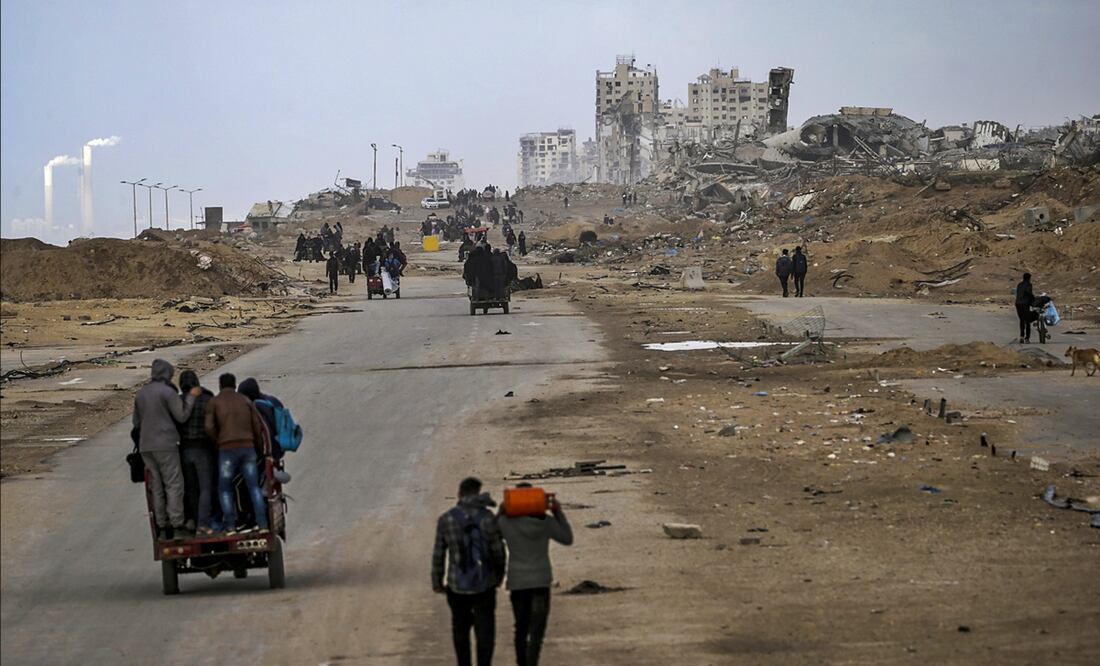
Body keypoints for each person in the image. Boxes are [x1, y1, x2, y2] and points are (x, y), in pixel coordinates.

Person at [432, 477, 506, 666]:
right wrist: (498, 576)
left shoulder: (446, 519)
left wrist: (437, 582)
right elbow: (498, 551)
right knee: (485, 632)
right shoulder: (488, 518)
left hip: (457, 586)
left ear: (459, 494)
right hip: (484, 585)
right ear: (478, 493)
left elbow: (439, 554)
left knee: (460, 630)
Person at [497, 484, 574, 666]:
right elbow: (567, 538)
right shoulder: (545, 523)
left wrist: (501, 511)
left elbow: (488, 532)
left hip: (517, 583)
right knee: (537, 631)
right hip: (540, 582)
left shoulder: (506, 523)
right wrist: (558, 512)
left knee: (521, 629)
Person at [133, 359, 198, 540]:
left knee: (156, 486)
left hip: (146, 446)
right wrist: (191, 397)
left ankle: (162, 527)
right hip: (166, 445)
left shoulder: (141, 394)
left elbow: (136, 423)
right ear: (167, 374)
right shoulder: (168, 393)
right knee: (173, 484)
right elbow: (182, 416)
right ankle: (177, 524)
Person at [204, 373, 268, 534]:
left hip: (227, 450)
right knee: (253, 486)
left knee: (225, 488)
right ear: (234, 385)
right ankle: (262, 524)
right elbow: (256, 427)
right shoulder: (245, 401)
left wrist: (217, 441)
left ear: (220, 386)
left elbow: (209, 427)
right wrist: (259, 450)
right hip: (247, 448)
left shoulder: (215, 402)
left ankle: (231, 526)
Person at [177, 370, 218, 535]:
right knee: (206, 488)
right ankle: (204, 522)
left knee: (191, 488)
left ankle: (193, 520)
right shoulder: (208, 400)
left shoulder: (178, 402)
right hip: (203, 450)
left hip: (185, 450)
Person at [238, 377, 285, 460]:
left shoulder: (257, 408)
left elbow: (265, 433)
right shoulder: (272, 401)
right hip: (279, 448)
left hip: (266, 451)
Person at [1015, 272, 1036, 343]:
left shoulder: (1019, 285)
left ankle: (1021, 336)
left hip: (1018, 304)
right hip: (1025, 304)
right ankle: (1027, 338)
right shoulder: (1029, 284)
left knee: (1022, 320)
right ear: (1029, 278)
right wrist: (1033, 299)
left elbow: (1018, 294)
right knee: (1027, 321)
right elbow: (1028, 293)